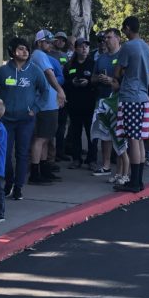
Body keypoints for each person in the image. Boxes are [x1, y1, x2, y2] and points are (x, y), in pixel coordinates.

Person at [0, 37, 49, 200]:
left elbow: (45, 90)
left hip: (26, 120)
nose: (25, 52)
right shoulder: (3, 71)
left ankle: (18, 187)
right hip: (6, 120)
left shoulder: (34, 70)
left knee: (22, 154)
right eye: (21, 49)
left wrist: (35, 109)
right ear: (12, 51)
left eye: (26, 49)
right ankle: (8, 182)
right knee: (5, 154)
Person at [113, 16, 149, 192]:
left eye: (124, 30)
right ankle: (139, 179)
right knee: (140, 139)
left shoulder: (128, 46)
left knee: (132, 139)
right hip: (143, 96)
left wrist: (117, 76)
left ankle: (134, 182)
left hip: (130, 95)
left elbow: (118, 70)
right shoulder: (146, 46)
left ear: (128, 28)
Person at [29, 30, 67, 184]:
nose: (50, 44)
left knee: (45, 138)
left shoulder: (39, 55)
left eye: (51, 42)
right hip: (44, 104)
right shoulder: (39, 55)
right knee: (40, 139)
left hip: (47, 104)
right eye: (47, 42)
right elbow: (50, 74)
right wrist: (60, 90)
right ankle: (35, 173)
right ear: (39, 42)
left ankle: (43, 169)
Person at [91, 29, 122, 176]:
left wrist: (112, 81)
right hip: (103, 99)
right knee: (104, 133)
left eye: (109, 37)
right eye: (104, 38)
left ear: (118, 38)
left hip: (119, 100)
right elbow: (92, 77)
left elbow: (128, 79)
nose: (106, 40)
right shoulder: (101, 58)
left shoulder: (123, 56)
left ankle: (123, 169)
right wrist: (99, 79)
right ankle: (106, 165)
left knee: (120, 134)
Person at [64, 38, 97, 168]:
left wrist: (88, 82)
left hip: (89, 103)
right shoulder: (70, 65)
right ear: (76, 49)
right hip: (74, 104)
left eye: (86, 47)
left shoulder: (93, 64)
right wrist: (72, 83)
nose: (84, 49)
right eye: (81, 46)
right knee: (75, 133)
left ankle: (92, 159)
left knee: (91, 134)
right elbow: (64, 82)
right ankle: (76, 158)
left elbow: (97, 80)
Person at [52, 31, 71, 159]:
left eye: (63, 40)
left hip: (64, 92)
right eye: (58, 39)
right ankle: (50, 154)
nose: (60, 42)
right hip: (52, 92)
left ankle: (60, 151)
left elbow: (69, 71)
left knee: (62, 124)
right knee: (52, 124)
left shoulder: (65, 55)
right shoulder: (47, 55)